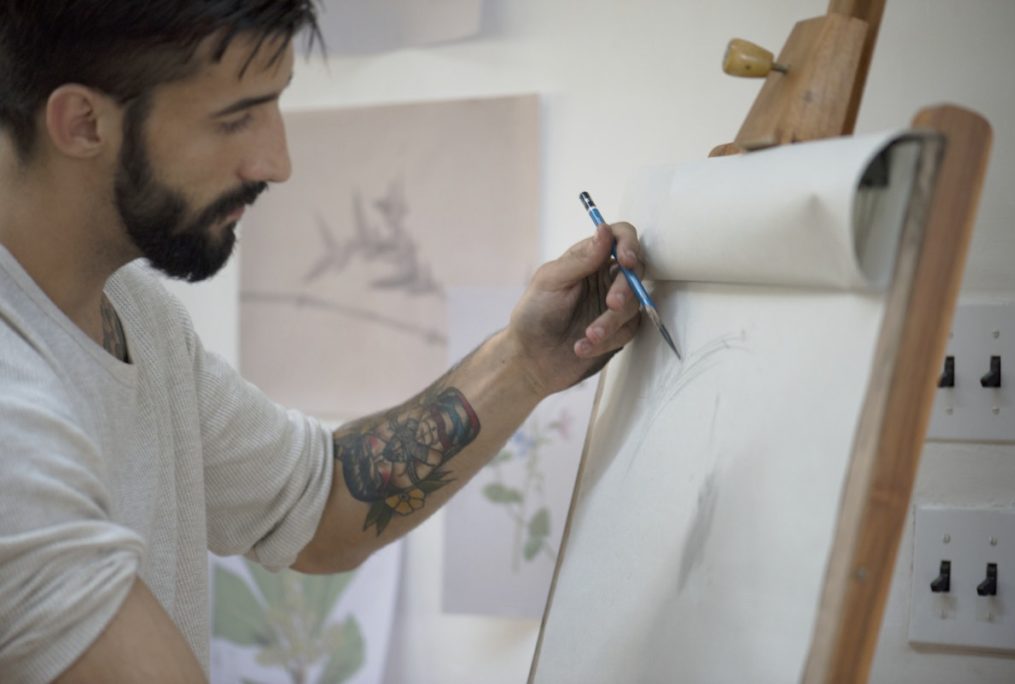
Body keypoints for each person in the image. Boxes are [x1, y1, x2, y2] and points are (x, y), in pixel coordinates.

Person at [0, 2, 643, 681]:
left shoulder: (135, 311)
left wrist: (526, 361)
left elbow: (323, 503)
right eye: (236, 118)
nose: (276, 162)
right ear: (83, 123)